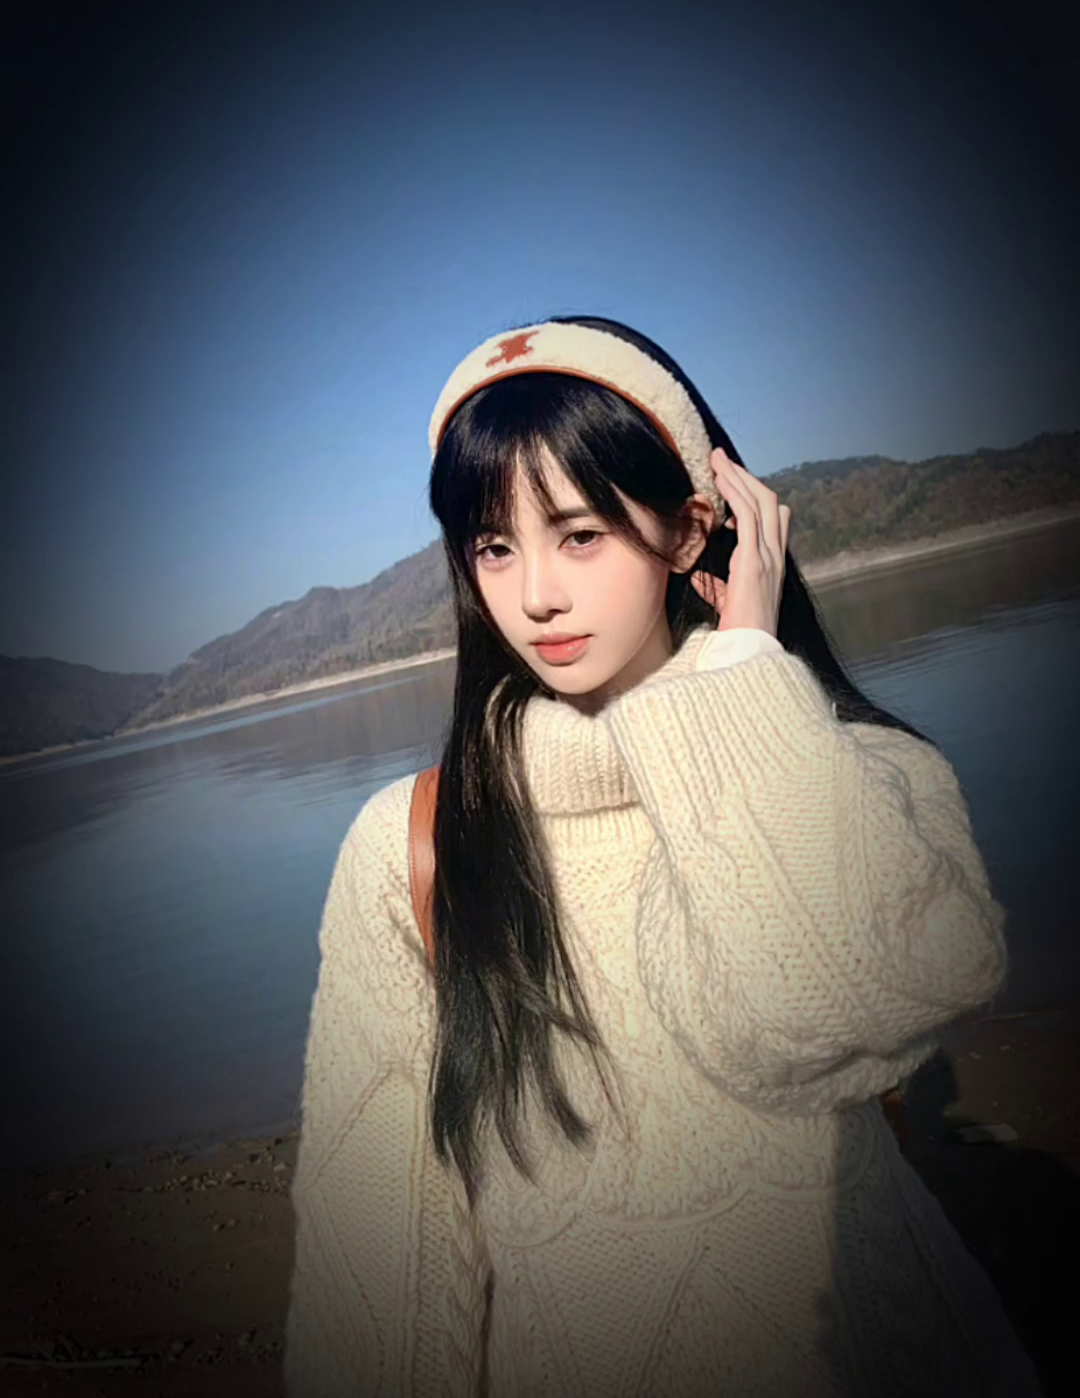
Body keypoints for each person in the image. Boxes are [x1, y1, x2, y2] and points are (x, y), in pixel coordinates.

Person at [283, 317, 1043, 1396]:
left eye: (580, 533)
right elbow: (374, 1255)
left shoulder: (853, 767)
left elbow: (847, 1010)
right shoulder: (414, 849)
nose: (534, 594)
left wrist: (742, 670)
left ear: (693, 530)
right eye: (495, 546)